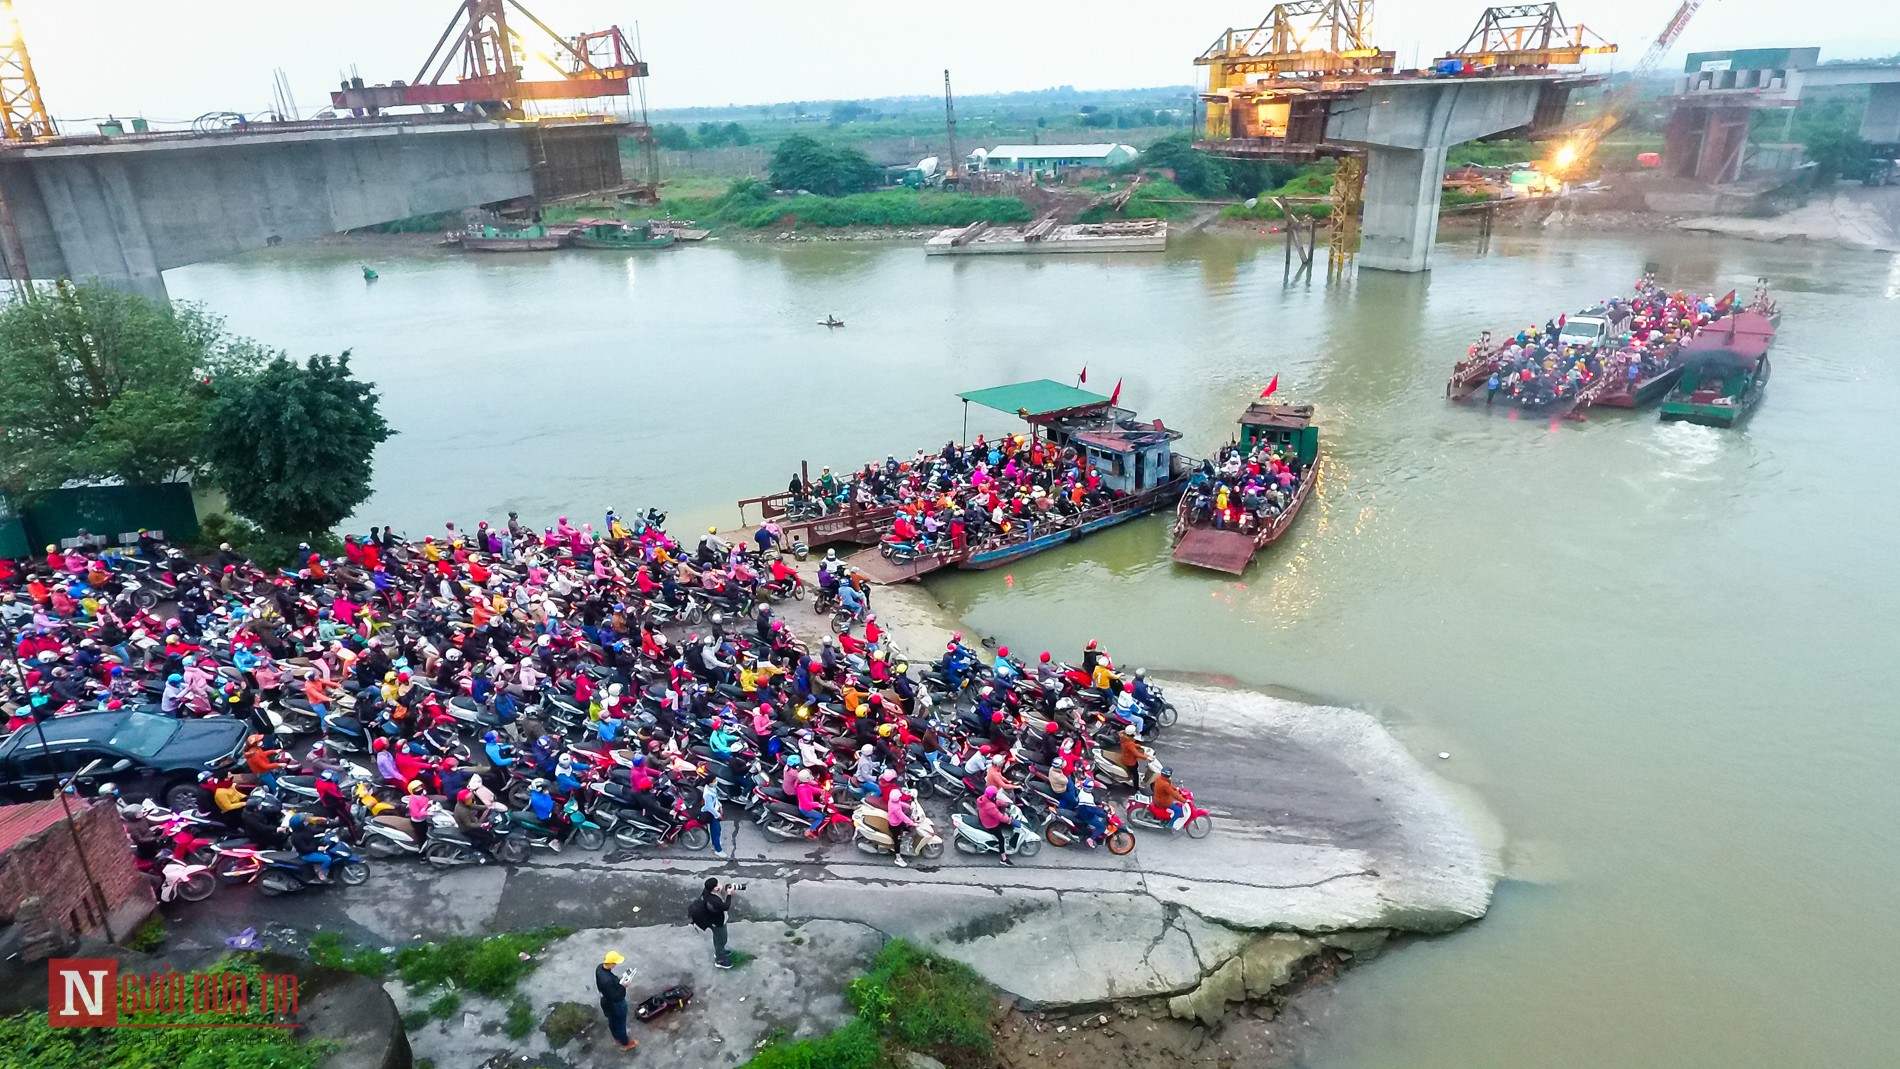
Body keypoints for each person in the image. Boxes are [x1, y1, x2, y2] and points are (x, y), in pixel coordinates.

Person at [690, 877, 737, 969]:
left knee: (718, 938)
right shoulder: (714, 901)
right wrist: (729, 894)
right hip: (718, 923)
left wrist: (719, 890)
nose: (719, 885)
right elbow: (726, 906)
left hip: (711, 920)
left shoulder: (706, 892)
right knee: (721, 940)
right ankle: (720, 960)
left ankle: (719, 952)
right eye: (717, 885)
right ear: (715, 888)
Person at [595, 950, 638, 1051]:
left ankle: (616, 1038)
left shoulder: (599, 968)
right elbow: (617, 996)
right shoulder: (608, 980)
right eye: (614, 963)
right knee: (620, 1024)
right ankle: (626, 1043)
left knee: (612, 1020)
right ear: (610, 963)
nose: (615, 965)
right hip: (616, 1004)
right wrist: (623, 986)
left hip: (606, 1002)